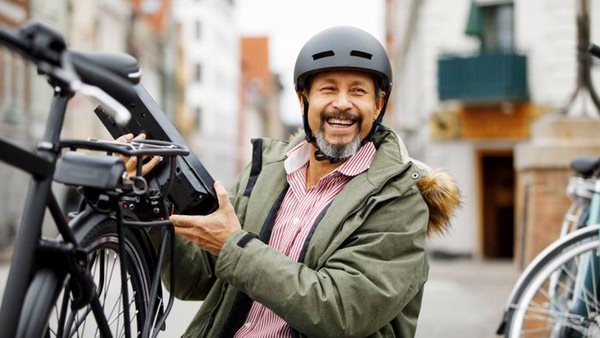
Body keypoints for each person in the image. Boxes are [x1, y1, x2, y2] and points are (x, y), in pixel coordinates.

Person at [137, 26, 460, 338]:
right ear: (303, 100)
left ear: (378, 105)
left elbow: (342, 312)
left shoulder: (400, 199)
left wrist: (233, 247)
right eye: (328, 89)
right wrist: (149, 198)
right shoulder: (266, 171)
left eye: (358, 91)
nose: (342, 103)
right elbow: (193, 279)